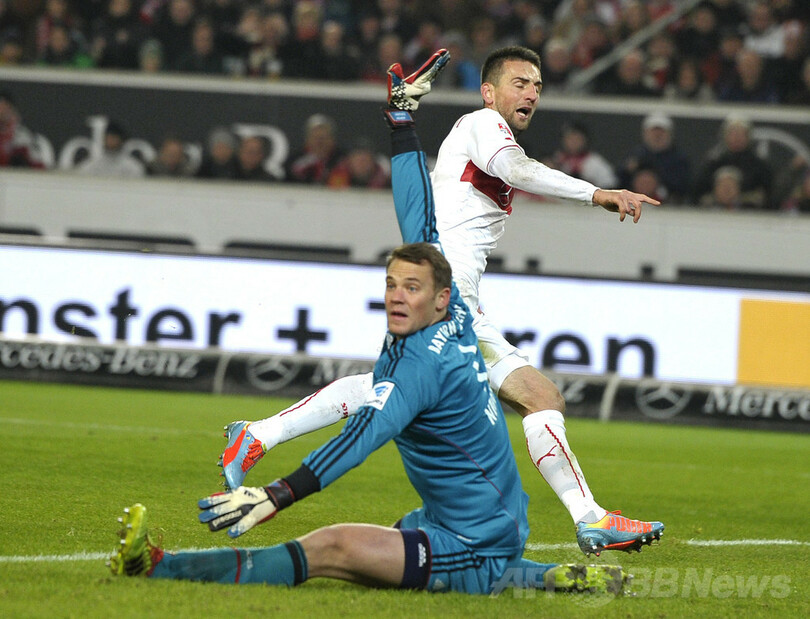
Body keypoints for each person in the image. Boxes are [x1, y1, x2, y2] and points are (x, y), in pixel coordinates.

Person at [109, 95, 634, 595]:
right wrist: (401, 124)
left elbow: (362, 437)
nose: (398, 298)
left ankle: (159, 567)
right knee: (392, 536)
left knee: (331, 547)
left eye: (411, 289)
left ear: (441, 298)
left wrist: (276, 495)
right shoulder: (453, 317)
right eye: (391, 285)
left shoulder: (418, 365)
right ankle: (545, 574)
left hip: (477, 539)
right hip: (467, 520)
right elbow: (416, 210)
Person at [219, 46, 664, 558]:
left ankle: (257, 435)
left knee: (398, 389)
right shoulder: (483, 124)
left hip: (451, 291)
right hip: (446, 293)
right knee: (530, 398)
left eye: (538, 86)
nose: (532, 93)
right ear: (488, 92)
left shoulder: (482, 134)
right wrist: (597, 193)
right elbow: (516, 169)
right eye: (520, 83)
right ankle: (589, 518)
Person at [692, 114, 774, 209]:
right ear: (725, 136)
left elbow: (769, 196)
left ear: (748, 137)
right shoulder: (714, 164)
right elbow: (697, 194)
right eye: (733, 133)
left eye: (741, 134)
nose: (737, 138)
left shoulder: (759, 167)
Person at [619, 112, 691, 203]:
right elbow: (619, 180)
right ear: (645, 134)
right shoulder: (634, 156)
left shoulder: (679, 160)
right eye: (653, 132)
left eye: (661, 132)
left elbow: (683, 186)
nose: (657, 136)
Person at [76, 120, 145, 177]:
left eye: (113, 138)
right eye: (108, 138)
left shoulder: (132, 167)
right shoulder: (91, 165)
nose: (110, 141)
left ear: (121, 140)